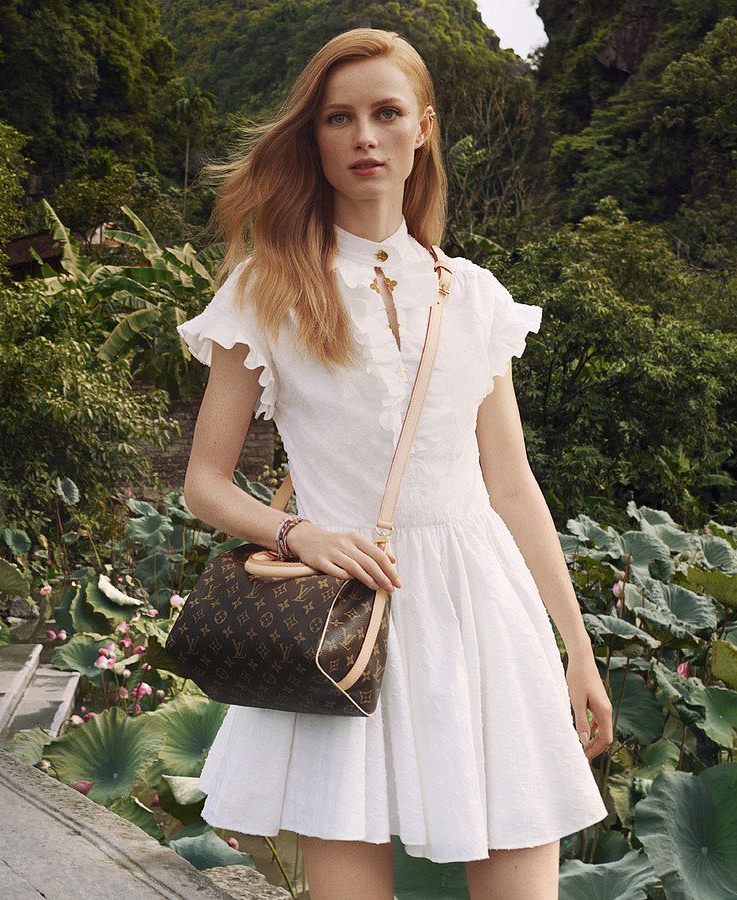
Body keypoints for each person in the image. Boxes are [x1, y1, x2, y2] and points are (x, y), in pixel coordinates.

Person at [177, 28, 612, 900]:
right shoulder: (269, 289)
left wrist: (577, 647)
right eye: (340, 118)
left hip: (484, 612)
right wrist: (299, 534)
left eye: (386, 114)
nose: (364, 136)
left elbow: (511, 484)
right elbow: (205, 484)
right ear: (316, 137)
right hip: (347, 619)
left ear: (424, 130)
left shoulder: (477, 296)